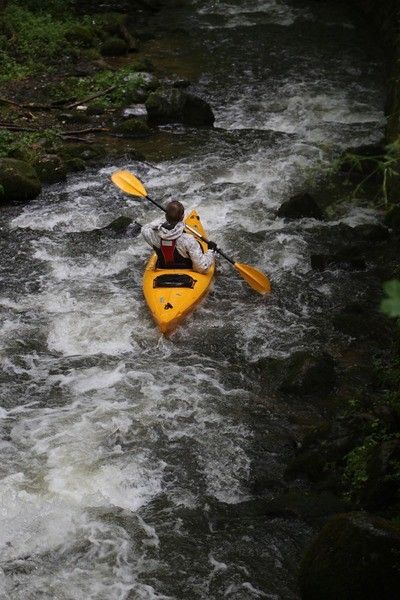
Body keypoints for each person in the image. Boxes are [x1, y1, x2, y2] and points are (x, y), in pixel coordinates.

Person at [141, 201, 217, 274]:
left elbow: (146, 227)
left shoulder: (150, 234)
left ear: (166, 216)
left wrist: (164, 221)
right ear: (182, 217)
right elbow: (202, 268)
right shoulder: (189, 240)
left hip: (162, 269)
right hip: (187, 272)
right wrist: (211, 251)